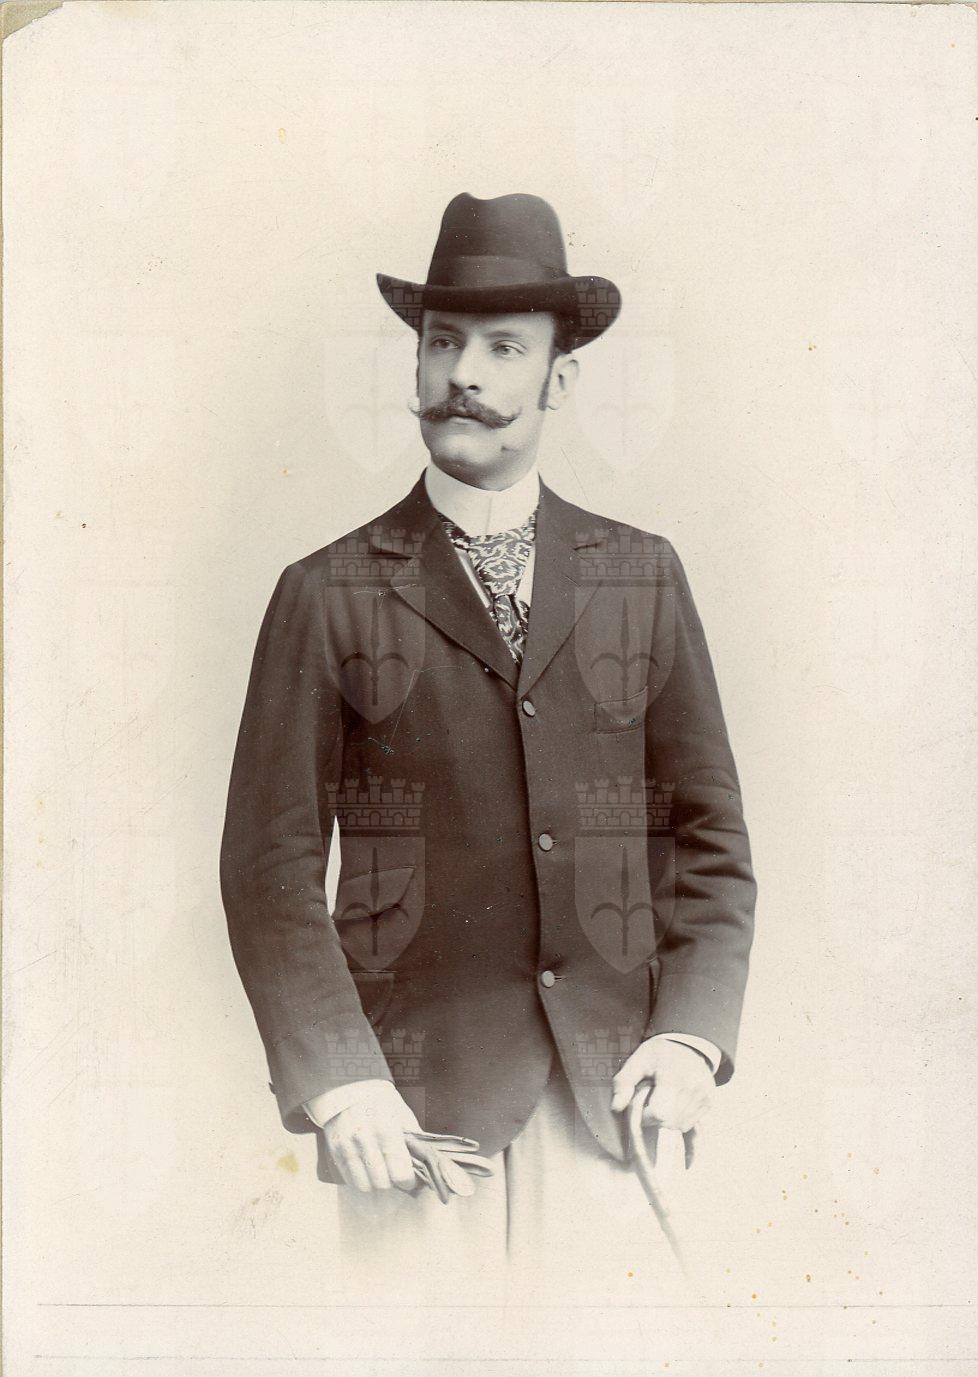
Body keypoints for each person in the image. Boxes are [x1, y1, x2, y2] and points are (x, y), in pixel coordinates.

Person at [220, 192, 756, 1305]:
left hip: (615, 1106)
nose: (462, 373)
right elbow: (269, 871)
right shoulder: (326, 592)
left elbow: (711, 840)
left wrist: (692, 1038)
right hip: (415, 1121)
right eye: (442, 341)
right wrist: (343, 1084)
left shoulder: (641, 575)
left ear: (561, 381)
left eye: (504, 347)